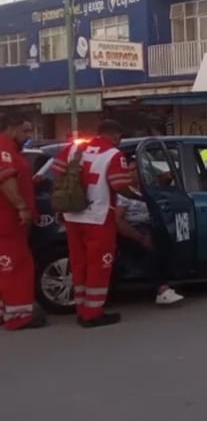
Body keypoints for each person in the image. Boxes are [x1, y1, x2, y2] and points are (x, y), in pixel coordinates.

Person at [50, 119, 134, 328]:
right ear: (115, 135)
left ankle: (82, 309)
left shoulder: (74, 148)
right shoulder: (113, 155)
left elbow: (57, 171)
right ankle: (93, 313)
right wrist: (141, 197)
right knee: (99, 265)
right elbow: (119, 185)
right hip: (98, 217)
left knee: (79, 264)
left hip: (72, 215)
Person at [114, 161, 184, 307]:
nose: (134, 173)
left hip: (151, 225)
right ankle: (162, 289)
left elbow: (165, 178)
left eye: (137, 169)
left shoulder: (147, 189)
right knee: (149, 251)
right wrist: (139, 237)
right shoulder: (124, 194)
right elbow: (118, 221)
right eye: (130, 170)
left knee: (167, 241)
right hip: (134, 228)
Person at [0, 114, 44, 330]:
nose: (28, 137)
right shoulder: (4, 149)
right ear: (11, 128)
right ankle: (19, 317)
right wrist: (22, 206)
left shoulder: (12, 151)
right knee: (15, 269)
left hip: (9, 222)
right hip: (7, 221)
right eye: (25, 131)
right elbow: (5, 181)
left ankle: (7, 312)